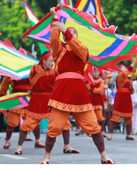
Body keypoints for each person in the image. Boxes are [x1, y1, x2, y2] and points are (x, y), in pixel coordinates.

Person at [41, 12, 115, 164]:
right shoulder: (58, 50)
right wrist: (55, 19)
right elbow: (54, 38)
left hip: (79, 92)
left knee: (93, 126)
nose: (71, 34)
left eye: (74, 33)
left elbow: (77, 47)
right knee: (54, 126)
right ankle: (46, 157)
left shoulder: (83, 49)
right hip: (62, 91)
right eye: (69, 32)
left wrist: (66, 32)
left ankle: (104, 156)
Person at [15, 52, 78, 156]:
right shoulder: (34, 69)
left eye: (53, 61)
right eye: (50, 61)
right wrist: (31, 89)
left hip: (51, 99)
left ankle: (67, 146)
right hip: (37, 99)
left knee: (64, 122)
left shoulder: (55, 70)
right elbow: (31, 81)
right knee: (28, 123)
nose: (52, 63)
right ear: (44, 61)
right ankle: (19, 147)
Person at [107, 62, 135, 140]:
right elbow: (126, 71)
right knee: (115, 116)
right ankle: (110, 134)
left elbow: (132, 91)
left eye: (124, 68)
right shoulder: (119, 76)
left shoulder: (128, 79)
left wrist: (131, 86)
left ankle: (128, 134)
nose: (124, 70)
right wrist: (133, 64)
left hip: (127, 98)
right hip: (120, 98)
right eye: (122, 68)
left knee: (128, 116)